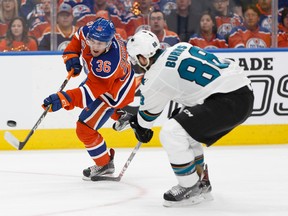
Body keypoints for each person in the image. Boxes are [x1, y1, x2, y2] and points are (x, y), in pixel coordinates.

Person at [125, 30, 254, 207]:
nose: (135, 65)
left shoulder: (155, 76)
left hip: (228, 100)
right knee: (185, 128)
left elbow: (147, 118)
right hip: (241, 91)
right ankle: (201, 181)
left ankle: (190, 187)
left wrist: (139, 127)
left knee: (171, 133)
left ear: (143, 58)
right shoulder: (179, 46)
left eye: (134, 59)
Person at [42, 18, 137, 180]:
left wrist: (62, 99)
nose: (94, 46)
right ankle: (122, 116)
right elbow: (78, 39)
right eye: (92, 41)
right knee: (92, 105)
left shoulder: (107, 64)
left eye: (100, 44)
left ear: (109, 42)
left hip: (113, 92)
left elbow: (88, 94)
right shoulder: (88, 32)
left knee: (84, 129)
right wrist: (71, 56)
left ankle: (104, 164)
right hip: (112, 80)